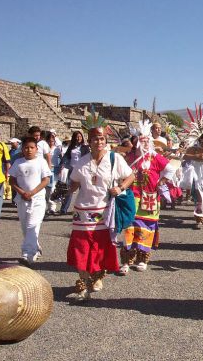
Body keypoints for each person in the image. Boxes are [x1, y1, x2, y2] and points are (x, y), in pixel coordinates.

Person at [66, 118, 134, 300]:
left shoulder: (115, 158)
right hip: (82, 212)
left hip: (105, 212)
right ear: (89, 141)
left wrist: (120, 188)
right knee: (81, 248)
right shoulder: (81, 162)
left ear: (106, 140)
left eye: (102, 138)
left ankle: (97, 277)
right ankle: (83, 279)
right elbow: (74, 183)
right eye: (95, 138)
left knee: (100, 248)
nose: (99, 141)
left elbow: (130, 176)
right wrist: (65, 188)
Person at [119, 120, 174, 275]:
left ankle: (142, 259)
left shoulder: (155, 157)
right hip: (131, 197)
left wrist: (161, 182)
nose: (143, 144)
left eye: (146, 141)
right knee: (129, 228)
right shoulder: (129, 157)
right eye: (140, 141)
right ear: (136, 142)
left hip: (150, 198)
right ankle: (126, 261)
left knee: (146, 229)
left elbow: (170, 169)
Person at [9, 136, 52, 266]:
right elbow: (12, 180)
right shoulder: (18, 163)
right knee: (25, 228)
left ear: (36, 149)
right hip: (22, 200)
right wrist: (22, 192)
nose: (29, 150)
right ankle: (35, 248)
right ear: (22, 149)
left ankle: (27, 254)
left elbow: (46, 180)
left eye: (32, 148)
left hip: (37, 200)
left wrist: (32, 192)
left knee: (32, 225)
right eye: (26, 148)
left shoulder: (41, 162)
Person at [59, 131, 90, 214]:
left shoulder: (85, 147)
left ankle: (84, 208)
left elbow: (88, 158)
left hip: (82, 170)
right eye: (77, 136)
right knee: (69, 189)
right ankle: (63, 209)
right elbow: (66, 156)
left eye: (80, 136)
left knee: (83, 189)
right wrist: (62, 163)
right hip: (72, 169)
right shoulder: (71, 147)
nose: (78, 138)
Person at [45, 132, 63, 214]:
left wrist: (61, 168)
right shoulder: (44, 148)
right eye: (49, 141)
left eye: (52, 141)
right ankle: (48, 207)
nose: (50, 142)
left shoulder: (57, 149)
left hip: (54, 169)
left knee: (52, 189)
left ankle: (52, 208)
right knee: (47, 190)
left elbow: (62, 158)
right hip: (45, 170)